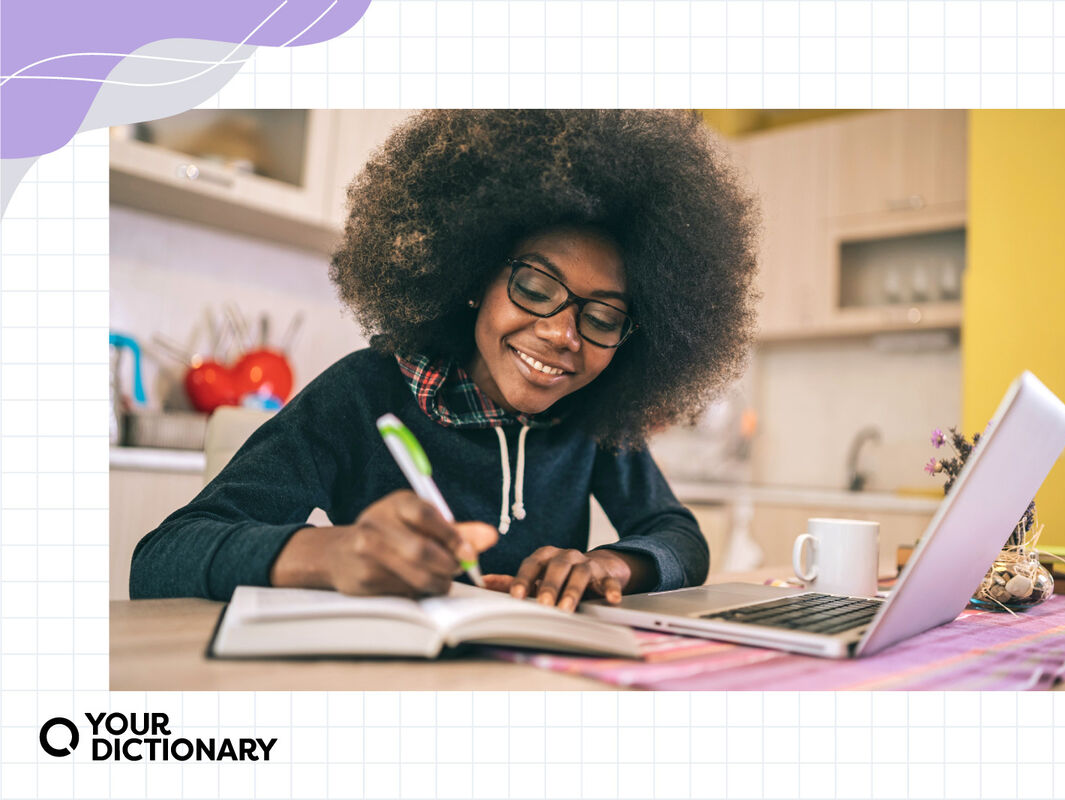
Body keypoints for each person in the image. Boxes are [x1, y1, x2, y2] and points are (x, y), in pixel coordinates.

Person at [130, 110, 758, 612]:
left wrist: (609, 564)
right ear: (472, 278)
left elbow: (680, 537)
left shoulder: (590, 419)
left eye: (601, 317)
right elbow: (163, 556)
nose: (563, 333)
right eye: (535, 289)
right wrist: (331, 554)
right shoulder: (364, 393)